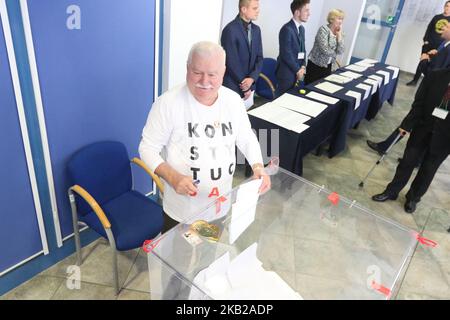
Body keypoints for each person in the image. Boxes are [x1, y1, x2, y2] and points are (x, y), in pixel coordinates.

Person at [139, 41, 271, 233]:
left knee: (209, 255)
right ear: (187, 68)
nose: (204, 81)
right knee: (178, 259)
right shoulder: (168, 103)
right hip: (182, 210)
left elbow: (246, 136)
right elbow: (147, 148)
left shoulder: (232, 101)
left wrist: (258, 166)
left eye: (212, 74)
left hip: (220, 203)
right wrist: (173, 177)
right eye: (197, 72)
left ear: (223, 72)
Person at [372, 68, 450, 214]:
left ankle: (413, 198)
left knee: (428, 169)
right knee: (407, 162)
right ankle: (392, 191)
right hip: (423, 127)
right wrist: (407, 124)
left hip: (445, 138)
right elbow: (419, 102)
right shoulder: (434, 74)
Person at [367, 21, 450, 155]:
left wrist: (423, 60)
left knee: (414, 120)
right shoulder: (444, 45)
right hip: (437, 96)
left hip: (432, 96)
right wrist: (433, 56)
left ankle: (390, 149)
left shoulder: (448, 49)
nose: (443, 28)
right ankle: (411, 156)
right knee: (420, 123)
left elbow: (432, 74)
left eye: (447, 27)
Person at [221, 0, 263, 109]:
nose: (258, 11)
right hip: (233, 86)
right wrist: (245, 86)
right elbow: (231, 62)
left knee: (245, 121)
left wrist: (252, 79)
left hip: (251, 85)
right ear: (243, 9)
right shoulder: (230, 30)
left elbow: (259, 58)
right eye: (254, 8)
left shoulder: (257, 30)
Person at [406, 1, 450, 86]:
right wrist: (426, 40)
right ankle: (415, 81)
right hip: (429, 44)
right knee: (422, 61)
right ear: (444, 6)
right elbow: (429, 28)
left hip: (440, 47)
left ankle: (429, 83)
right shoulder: (436, 17)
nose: (448, 8)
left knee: (434, 66)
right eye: (447, 6)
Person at [275, 0, 311, 97]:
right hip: (286, 74)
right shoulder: (287, 29)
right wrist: (297, 70)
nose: (309, 14)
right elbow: (286, 54)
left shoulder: (302, 29)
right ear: (297, 12)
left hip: (298, 72)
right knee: (282, 102)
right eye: (306, 10)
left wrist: (303, 66)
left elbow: (303, 50)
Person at [305, 9, 345, 85]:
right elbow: (325, 49)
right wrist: (335, 53)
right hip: (316, 65)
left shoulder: (340, 32)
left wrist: (339, 37)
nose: (341, 21)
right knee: (310, 89)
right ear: (332, 19)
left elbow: (341, 51)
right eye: (339, 18)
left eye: (342, 19)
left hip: (328, 66)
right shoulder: (323, 30)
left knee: (322, 90)